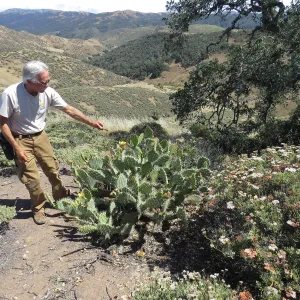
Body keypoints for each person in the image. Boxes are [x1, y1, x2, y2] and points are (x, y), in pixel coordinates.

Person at [0, 61, 104, 225]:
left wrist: (90, 122)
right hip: (20, 139)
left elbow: (69, 110)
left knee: (52, 170)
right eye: (44, 82)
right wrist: (17, 147)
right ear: (29, 81)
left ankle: (61, 197)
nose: (48, 84)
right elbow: (2, 123)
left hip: (41, 137)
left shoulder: (47, 92)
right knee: (31, 178)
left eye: (48, 80)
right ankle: (38, 207)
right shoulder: (10, 94)